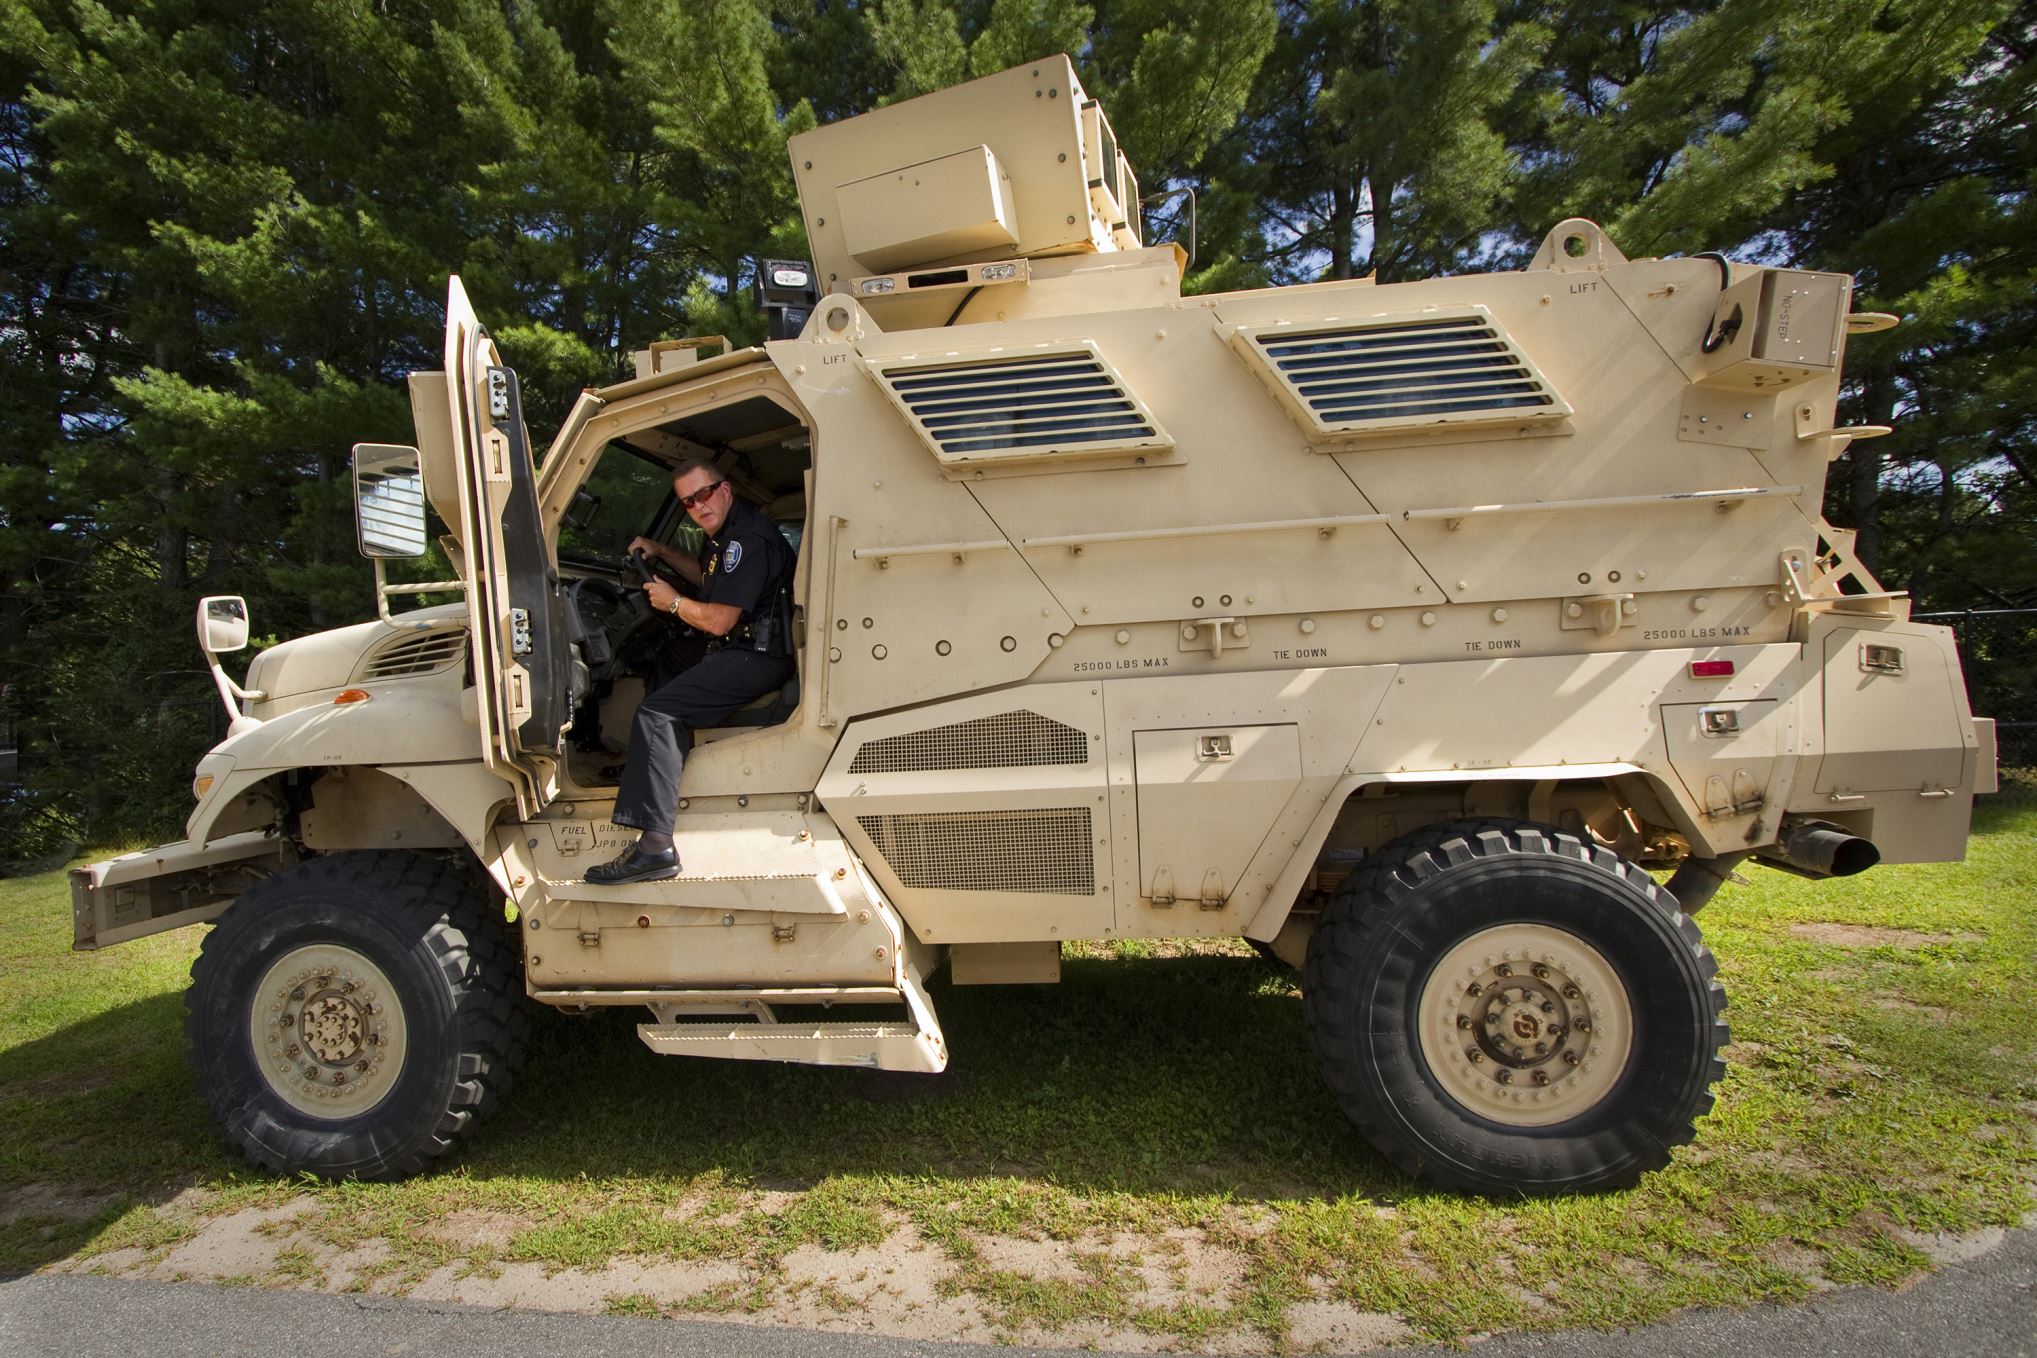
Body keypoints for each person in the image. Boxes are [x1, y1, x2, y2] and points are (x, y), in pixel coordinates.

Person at [586, 459, 796, 884]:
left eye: (703, 494)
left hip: (757, 655)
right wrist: (662, 553)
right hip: (743, 645)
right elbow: (709, 578)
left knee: (657, 713)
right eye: (687, 503)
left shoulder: (747, 538)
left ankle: (655, 847)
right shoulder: (726, 536)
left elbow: (718, 619)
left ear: (725, 489)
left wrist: (673, 603)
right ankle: (652, 766)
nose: (698, 507)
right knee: (668, 656)